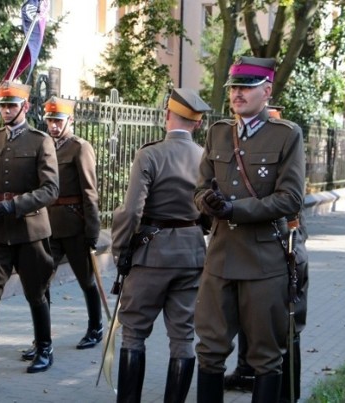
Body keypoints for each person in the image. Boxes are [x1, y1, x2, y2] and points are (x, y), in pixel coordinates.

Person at [193, 56, 306, 402]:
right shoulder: (217, 133)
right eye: (234, 87)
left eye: (247, 87)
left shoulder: (286, 135)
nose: (238, 93)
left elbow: (291, 199)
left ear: (267, 91)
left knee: (265, 357)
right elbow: (200, 187)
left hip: (263, 261)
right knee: (210, 350)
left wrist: (235, 209)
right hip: (221, 258)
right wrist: (205, 202)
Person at [111, 88, 211, 403]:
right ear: (196, 123)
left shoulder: (150, 154)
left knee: (134, 333)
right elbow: (210, 209)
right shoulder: (206, 157)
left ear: (166, 115)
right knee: (183, 337)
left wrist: (121, 249)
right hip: (192, 254)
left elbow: (131, 211)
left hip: (150, 255)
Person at [0, 81, 59, 382]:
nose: (5, 110)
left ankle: (44, 348)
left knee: (35, 291)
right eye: (2, 105)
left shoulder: (40, 141)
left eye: (11, 105)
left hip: (29, 228)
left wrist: (15, 205)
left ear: (25, 107)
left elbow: (51, 190)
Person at [223, 105, 310, 403]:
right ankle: (246, 369)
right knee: (253, 320)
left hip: (285, 246)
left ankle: (288, 394)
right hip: (254, 248)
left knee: (287, 325)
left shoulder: (288, 145)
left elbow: (290, 204)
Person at [21, 96, 102, 362]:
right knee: (40, 281)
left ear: (70, 120)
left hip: (74, 224)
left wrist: (92, 229)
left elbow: (90, 191)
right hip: (47, 224)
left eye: (58, 121)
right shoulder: (42, 145)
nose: (53, 126)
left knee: (86, 279)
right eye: (50, 121)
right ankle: (41, 339)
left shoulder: (80, 148)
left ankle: (95, 327)